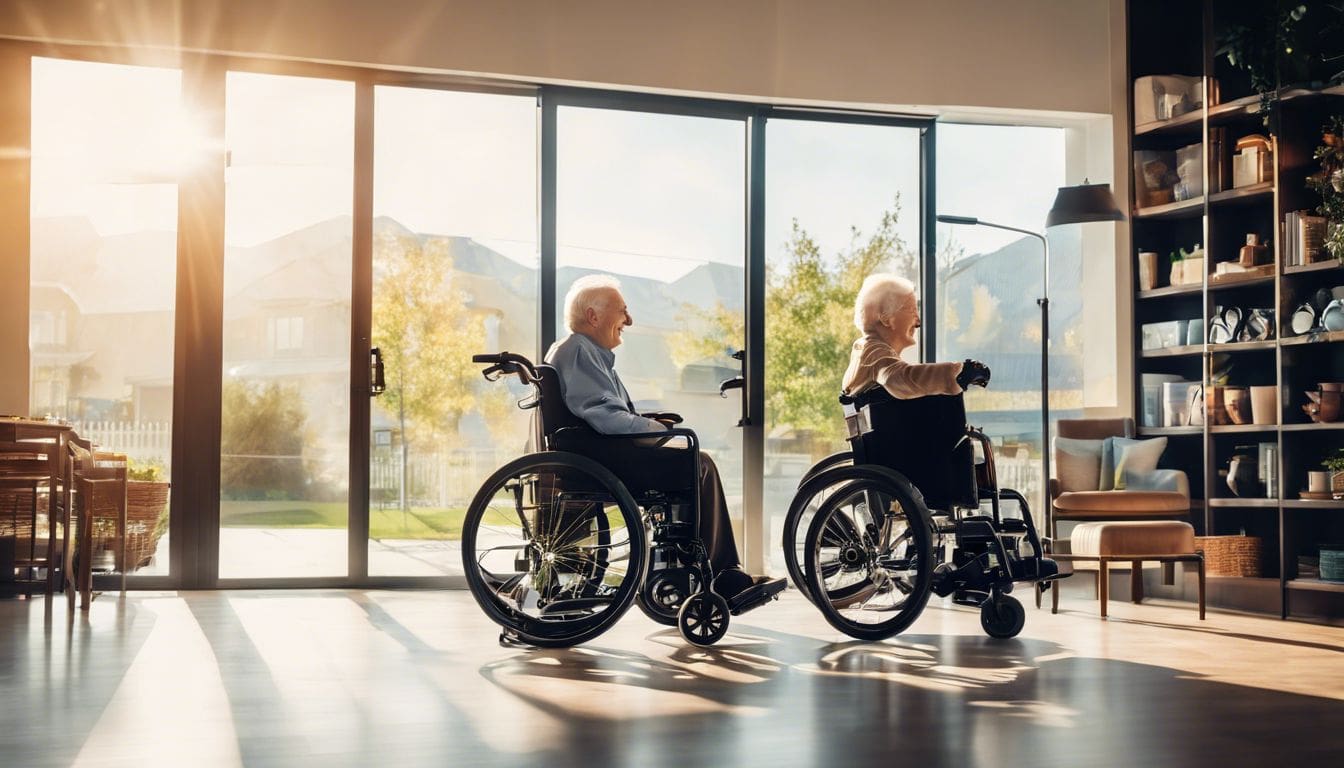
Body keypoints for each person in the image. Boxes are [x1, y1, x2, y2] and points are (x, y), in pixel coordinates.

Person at [546, 274, 786, 610]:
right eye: (623, 311)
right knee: (697, 463)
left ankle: (696, 572)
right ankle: (724, 578)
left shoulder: (583, 352)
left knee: (691, 459)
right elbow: (605, 417)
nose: (629, 320)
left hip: (602, 454)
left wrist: (653, 424)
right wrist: (652, 428)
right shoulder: (579, 351)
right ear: (593, 316)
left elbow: (602, 412)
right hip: (605, 460)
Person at [842, 273, 990, 398]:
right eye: (912, 311)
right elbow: (898, 378)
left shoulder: (866, 351)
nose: (918, 322)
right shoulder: (875, 353)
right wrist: (958, 372)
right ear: (886, 319)